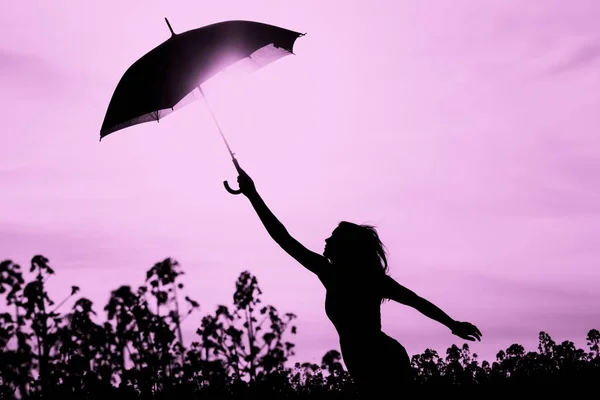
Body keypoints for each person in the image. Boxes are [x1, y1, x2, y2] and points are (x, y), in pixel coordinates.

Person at [232, 163, 482, 397]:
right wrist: (252, 195)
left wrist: (452, 324)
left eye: (333, 238)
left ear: (346, 248)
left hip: (385, 360)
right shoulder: (334, 274)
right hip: (366, 364)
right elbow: (283, 238)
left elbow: (416, 302)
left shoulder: (357, 279)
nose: (326, 241)